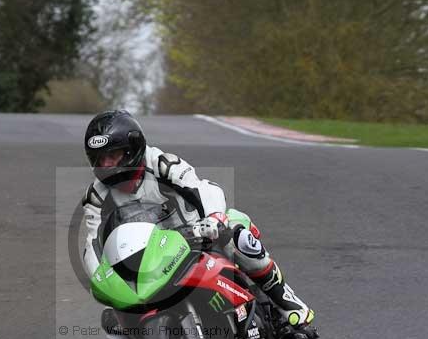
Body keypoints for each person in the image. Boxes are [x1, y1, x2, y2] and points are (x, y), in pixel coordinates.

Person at [80, 110, 313, 327]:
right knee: (117, 320)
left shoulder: (161, 163)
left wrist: (213, 219)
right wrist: (101, 281)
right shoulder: (97, 196)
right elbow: (92, 244)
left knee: (236, 235)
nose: (106, 165)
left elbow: (203, 188)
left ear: (132, 149)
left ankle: (285, 298)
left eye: (113, 155)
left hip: (198, 235)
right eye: (100, 159)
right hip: (154, 258)